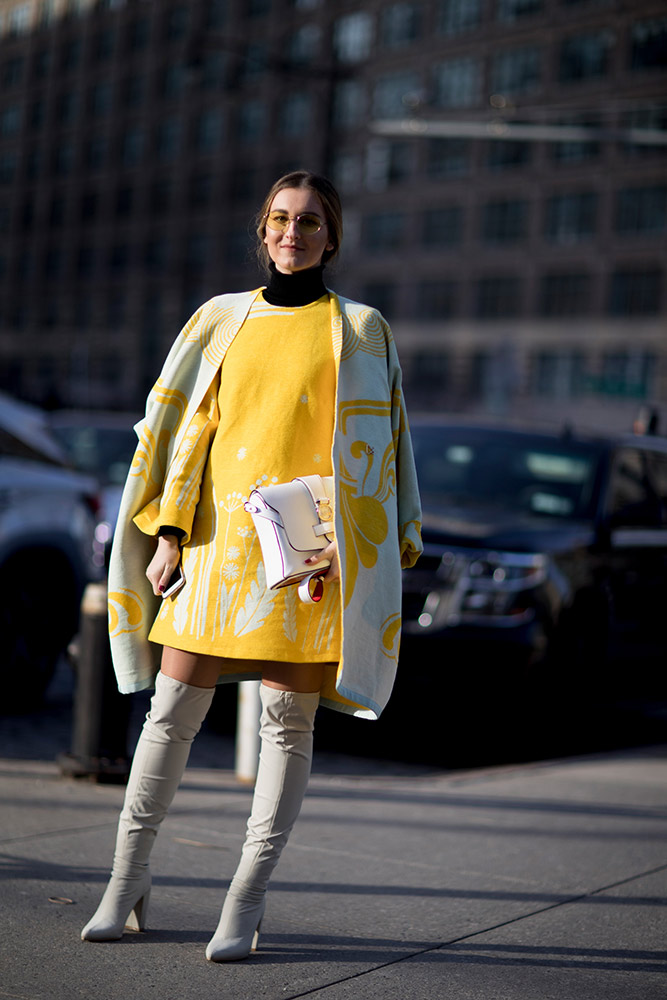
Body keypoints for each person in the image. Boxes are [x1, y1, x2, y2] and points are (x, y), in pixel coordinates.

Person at [80, 171, 422, 961]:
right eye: (278, 219)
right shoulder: (218, 319)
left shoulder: (360, 328)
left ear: (331, 235)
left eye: (308, 221)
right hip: (213, 550)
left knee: (284, 727)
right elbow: (180, 430)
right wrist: (167, 532)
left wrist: (355, 541)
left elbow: (384, 446)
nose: (292, 232)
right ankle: (125, 879)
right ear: (262, 231)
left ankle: (245, 898)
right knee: (168, 716)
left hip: (307, 558)